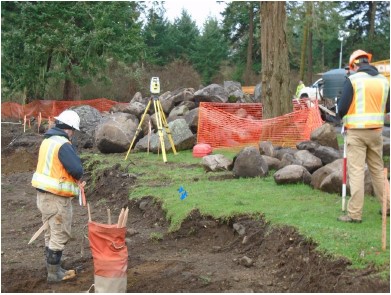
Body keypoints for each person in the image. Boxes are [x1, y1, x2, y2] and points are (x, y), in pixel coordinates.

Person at [337, 49, 390, 223]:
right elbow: (387, 107)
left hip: (357, 133)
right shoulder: (384, 81)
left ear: (354, 65)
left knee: (357, 171)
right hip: (376, 132)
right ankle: (387, 207)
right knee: (377, 170)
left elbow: (342, 108)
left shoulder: (353, 80)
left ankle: (354, 214)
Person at [31, 109, 83, 282]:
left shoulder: (47, 141)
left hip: (43, 196)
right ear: (69, 129)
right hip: (56, 198)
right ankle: (54, 274)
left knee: (50, 232)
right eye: (73, 131)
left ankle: (53, 269)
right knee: (59, 233)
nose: (73, 135)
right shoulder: (62, 144)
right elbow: (77, 170)